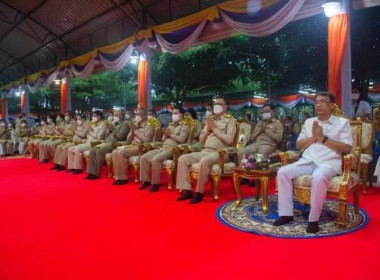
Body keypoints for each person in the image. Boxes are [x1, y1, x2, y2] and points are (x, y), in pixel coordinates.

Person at [274, 92, 352, 233]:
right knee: (282, 172)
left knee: (318, 177)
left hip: (329, 163)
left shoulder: (343, 123)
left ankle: (313, 219)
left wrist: (322, 138)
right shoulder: (310, 122)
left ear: (332, 105)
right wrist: (314, 137)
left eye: (323, 101)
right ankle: (286, 214)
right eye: (316, 102)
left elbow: (347, 147)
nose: (318, 104)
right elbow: (299, 146)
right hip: (308, 160)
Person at [175, 96, 236, 204]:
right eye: (215, 104)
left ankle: (199, 193)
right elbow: (201, 140)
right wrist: (207, 131)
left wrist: (214, 129)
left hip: (220, 152)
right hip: (206, 150)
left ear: (226, 107)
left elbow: (230, 140)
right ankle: (187, 190)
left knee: (204, 161)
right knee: (182, 158)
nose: (216, 106)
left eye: (220, 104)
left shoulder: (231, 120)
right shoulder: (210, 120)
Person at [139, 107, 190, 191]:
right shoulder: (170, 125)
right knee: (143, 157)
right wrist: (165, 135)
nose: (173, 115)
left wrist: (170, 134)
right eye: (173, 113)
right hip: (163, 147)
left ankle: (155, 183)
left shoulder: (185, 126)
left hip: (173, 149)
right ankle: (146, 180)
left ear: (181, 115)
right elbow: (163, 140)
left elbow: (182, 140)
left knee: (156, 159)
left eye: (176, 113)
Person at [111, 109, 154, 184]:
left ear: (145, 116)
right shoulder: (135, 125)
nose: (137, 116)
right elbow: (128, 140)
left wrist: (135, 131)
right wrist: (131, 131)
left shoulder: (149, 126)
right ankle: (118, 176)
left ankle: (123, 178)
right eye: (136, 115)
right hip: (132, 145)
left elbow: (146, 140)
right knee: (115, 151)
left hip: (142, 147)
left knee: (120, 152)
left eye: (139, 115)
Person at [86, 109, 129, 180]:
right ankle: (90, 172)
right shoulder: (113, 123)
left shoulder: (125, 125)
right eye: (113, 115)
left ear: (122, 116)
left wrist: (113, 129)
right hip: (107, 142)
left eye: (116, 115)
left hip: (116, 143)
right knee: (93, 150)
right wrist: (108, 129)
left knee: (100, 151)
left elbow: (120, 137)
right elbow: (106, 135)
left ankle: (95, 173)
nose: (114, 117)